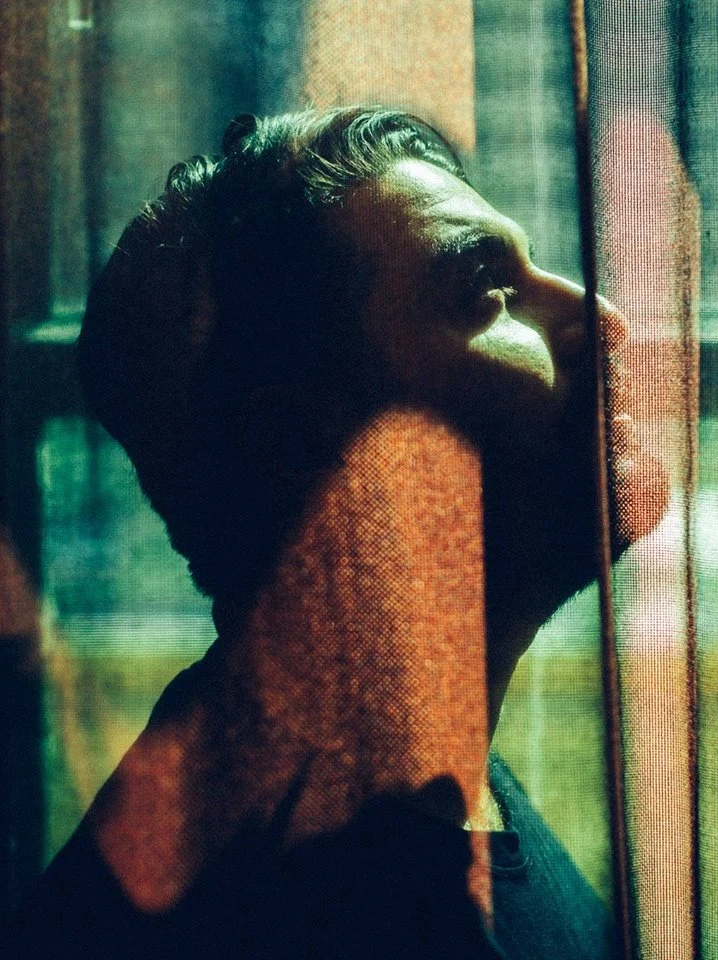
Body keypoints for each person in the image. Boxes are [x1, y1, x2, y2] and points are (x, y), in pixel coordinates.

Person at [6, 108, 666, 958]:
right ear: (297, 446)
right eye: (485, 290)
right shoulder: (283, 905)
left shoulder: (404, 778)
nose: (605, 318)